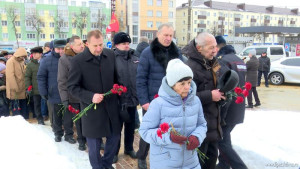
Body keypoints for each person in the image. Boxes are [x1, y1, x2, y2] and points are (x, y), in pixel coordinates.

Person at [139, 59, 207, 169]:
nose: (187, 87)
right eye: (182, 83)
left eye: (189, 82)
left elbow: (202, 125)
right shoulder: (158, 104)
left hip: (191, 163)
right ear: (172, 85)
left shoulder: (195, 101)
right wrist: (168, 137)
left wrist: (197, 136)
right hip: (165, 163)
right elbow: (144, 131)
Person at [68, 30, 121, 169]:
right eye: (95, 46)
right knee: (94, 145)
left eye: (101, 45)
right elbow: (72, 87)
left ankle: (107, 164)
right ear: (87, 44)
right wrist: (90, 96)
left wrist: (119, 90)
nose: (98, 49)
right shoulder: (78, 61)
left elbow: (116, 78)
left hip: (110, 107)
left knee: (114, 137)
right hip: (92, 110)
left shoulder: (109, 54)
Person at [136, 23, 183, 169]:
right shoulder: (147, 53)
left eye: (171, 35)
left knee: (169, 129)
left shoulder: (177, 53)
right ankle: (142, 156)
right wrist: (144, 101)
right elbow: (140, 79)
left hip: (172, 99)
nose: (169, 38)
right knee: (149, 130)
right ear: (158, 34)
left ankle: (165, 157)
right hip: (152, 100)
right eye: (166, 35)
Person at [183, 32, 224, 169]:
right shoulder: (189, 68)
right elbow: (184, 98)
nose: (215, 50)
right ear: (199, 48)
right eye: (211, 47)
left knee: (211, 163)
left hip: (213, 127)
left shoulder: (212, 63)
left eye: (215, 47)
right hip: (198, 130)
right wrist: (210, 96)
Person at [215, 36, 248, 169]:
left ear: (217, 47)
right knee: (225, 139)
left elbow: (222, 84)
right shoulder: (238, 59)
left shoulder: (222, 61)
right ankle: (223, 165)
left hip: (227, 107)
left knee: (222, 142)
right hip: (238, 105)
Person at [37, 39, 75, 143]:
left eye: (63, 48)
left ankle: (69, 134)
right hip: (54, 93)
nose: (61, 51)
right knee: (56, 116)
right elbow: (41, 77)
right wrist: (43, 91)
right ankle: (58, 133)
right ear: (53, 49)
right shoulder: (46, 60)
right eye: (58, 49)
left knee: (68, 116)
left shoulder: (70, 58)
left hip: (68, 94)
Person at [112, 32, 139, 162]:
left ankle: (129, 148)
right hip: (118, 101)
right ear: (117, 45)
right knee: (116, 129)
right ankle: (114, 152)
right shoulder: (111, 58)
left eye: (128, 43)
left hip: (132, 100)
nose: (127, 46)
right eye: (124, 44)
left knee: (130, 127)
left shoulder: (135, 57)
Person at [57, 35, 86, 150]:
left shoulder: (85, 56)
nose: (82, 46)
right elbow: (62, 81)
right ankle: (82, 140)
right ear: (72, 46)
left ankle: (91, 138)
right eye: (79, 44)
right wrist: (64, 99)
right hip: (73, 96)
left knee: (89, 119)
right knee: (79, 120)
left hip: (87, 94)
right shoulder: (64, 59)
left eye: (82, 44)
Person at [6, 48, 28, 118]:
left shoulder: (21, 61)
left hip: (22, 88)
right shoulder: (10, 61)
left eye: (24, 56)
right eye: (22, 56)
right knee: (16, 109)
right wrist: (14, 87)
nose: (23, 57)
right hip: (15, 90)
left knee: (23, 108)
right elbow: (10, 76)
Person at [25, 47, 45, 125]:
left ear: (40, 54)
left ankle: (48, 117)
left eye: (35, 53)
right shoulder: (30, 64)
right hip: (35, 88)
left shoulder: (45, 62)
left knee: (47, 104)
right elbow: (27, 76)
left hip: (45, 88)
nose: (33, 55)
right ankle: (39, 119)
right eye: (32, 53)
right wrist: (28, 87)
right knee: (37, 105)